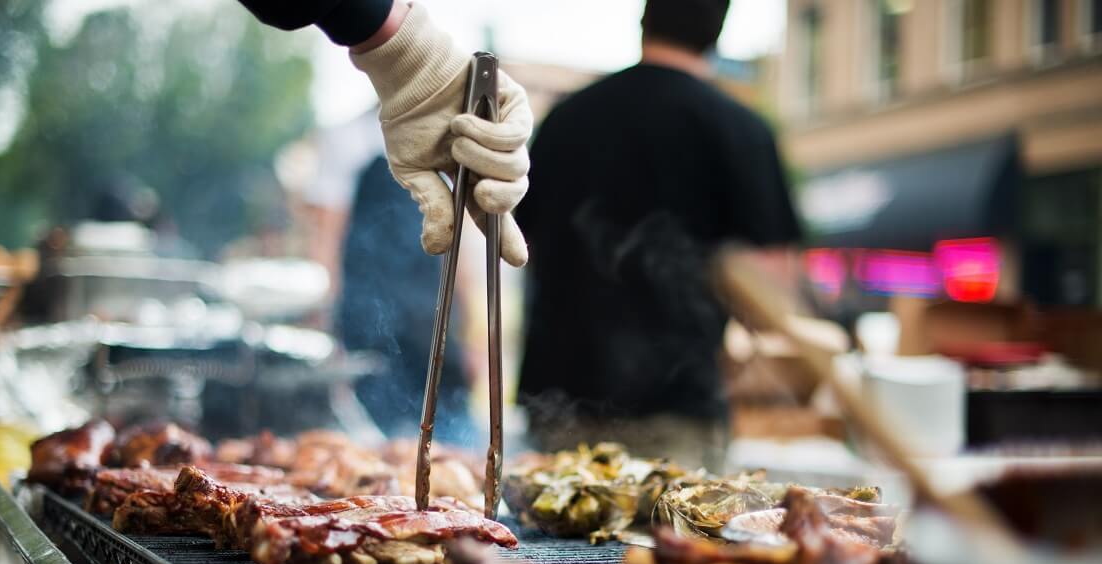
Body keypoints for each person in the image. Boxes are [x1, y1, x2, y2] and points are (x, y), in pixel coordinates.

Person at [514, 0, 800, 472]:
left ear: (644, 21)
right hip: (678, 412)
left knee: (556, 531)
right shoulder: (741, 129)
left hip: (559, 406)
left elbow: (519, 245)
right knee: (677, 543)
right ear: (717, 33)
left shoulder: (565, 120)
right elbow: (772, 288)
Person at [234, 0, 533, 267]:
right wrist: (411, 56)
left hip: (425, 299)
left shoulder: (424, 133)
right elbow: (327, 226)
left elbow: (460, 237)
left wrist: (407, 53)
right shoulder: (345, 137)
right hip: (362, 293)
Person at [337, 155, 476, 444]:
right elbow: (456, 260)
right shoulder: (388, 171)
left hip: (423, 336)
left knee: (443, 442)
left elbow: (454, 257)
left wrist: (471, 339)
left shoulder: (420, 174)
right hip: (395, 339)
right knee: (398, 445)